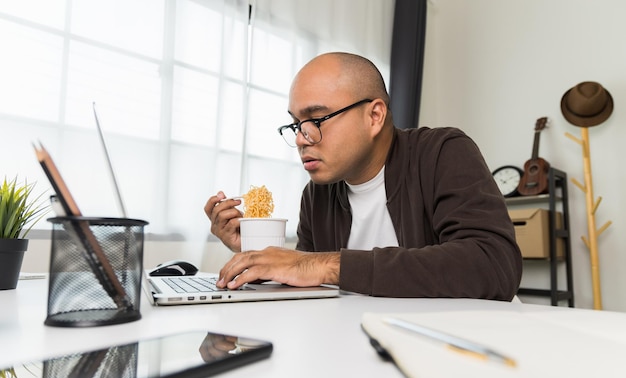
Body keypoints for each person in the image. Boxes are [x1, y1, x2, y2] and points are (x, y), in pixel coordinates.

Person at [204, 52, 522, 300]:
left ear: (374, 116)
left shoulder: (442, 152)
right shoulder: (318, 194)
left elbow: (492, 265)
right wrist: (254, 248)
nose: (301, 137)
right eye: (296, 124)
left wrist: (325, 266)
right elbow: (304, 279)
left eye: (316, 118)